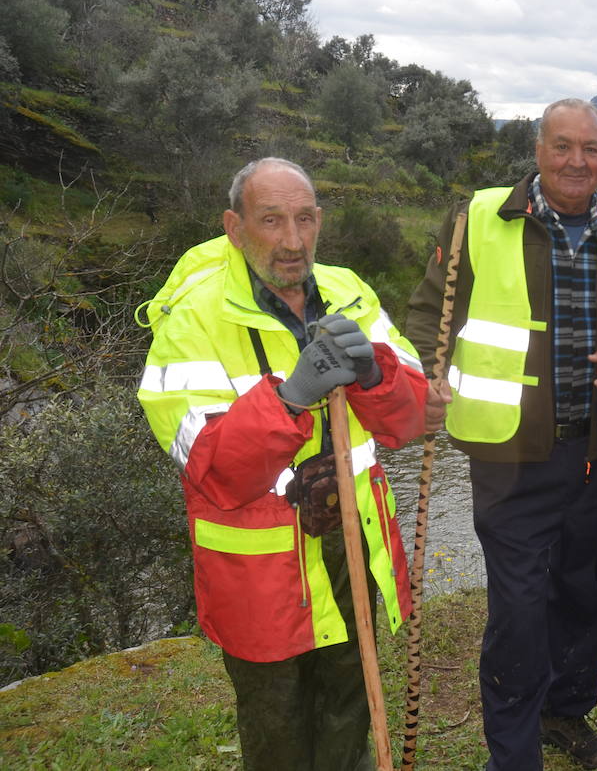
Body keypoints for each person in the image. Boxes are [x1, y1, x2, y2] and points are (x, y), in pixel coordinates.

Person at [138, 157, 429, 770]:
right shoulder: (191, 320)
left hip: (352, 552)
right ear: (235, 227)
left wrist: (378, 374)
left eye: (303, 219)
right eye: (271, 220)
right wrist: (289, 397)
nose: (292, 241)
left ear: (320, 221)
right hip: (259, 575)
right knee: (279, 734)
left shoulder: (351, 292)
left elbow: (410, 420)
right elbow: (213, 472)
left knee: (349, 708)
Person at [406, 98, 597, 771]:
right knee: (520, 612)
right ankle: (514, 756)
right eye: (563, 146)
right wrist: (421, 386)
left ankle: (566, 713)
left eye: (591, 149)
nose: (578, 161)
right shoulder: (478, 220)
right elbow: (429, 312)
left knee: (588, 595)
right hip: (510, 453)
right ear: (538, 149)